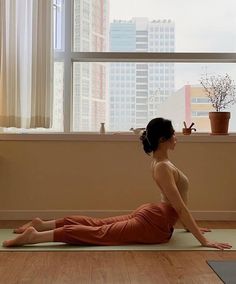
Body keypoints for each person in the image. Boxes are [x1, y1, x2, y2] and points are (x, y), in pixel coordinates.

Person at [2, 118, 232, 250]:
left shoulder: (161, 162)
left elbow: (175, 204)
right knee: (100, 232)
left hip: (154, 215)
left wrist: (191, 228)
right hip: (154, 223)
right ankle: (35, 236)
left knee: (97, 224)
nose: (176, 137)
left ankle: (42, 224)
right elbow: (179, 206)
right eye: (173, 134)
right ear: (163, 140)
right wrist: (204, 241)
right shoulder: (163, 166)